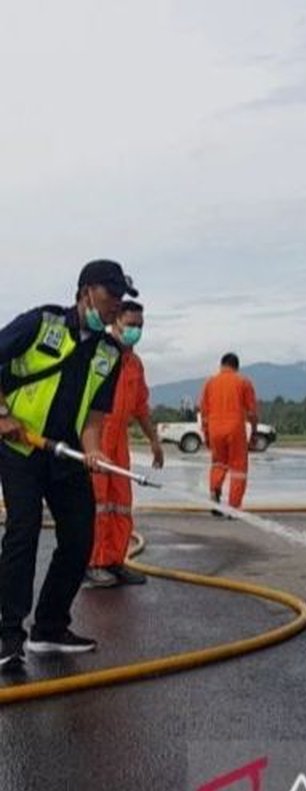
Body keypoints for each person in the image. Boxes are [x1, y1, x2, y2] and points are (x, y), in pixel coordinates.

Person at [0, 259, 138, 670]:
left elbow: (94, 419)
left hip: (65, 455)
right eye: (111, 295)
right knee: (23, 531)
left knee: (80, 537)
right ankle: (7, 636)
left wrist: (94, 450)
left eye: (120, 297)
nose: (117, 305)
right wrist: (2, 413)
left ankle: (49, 628)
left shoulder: (109, 354)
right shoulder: (42, 324)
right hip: (20, 448)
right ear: (86, 292)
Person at [84, 301, 164, 589]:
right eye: (131, 325)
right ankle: (93, 562)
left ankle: (115, 560)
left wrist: (154, 440)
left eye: (140, 326)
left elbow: (141, 406)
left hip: (119, 440)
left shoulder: (134, 363)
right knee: (97, 503)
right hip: (97, 435)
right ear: (115, 321)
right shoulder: (100, 353)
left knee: (120, 504)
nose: (135, 331)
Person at [199, 352, 258, 514]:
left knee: (218, 463)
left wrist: (206, 434)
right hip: (235, 429)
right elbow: (252, 412)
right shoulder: (243, 382)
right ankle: (233, 507)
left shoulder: (210, 383)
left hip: (214, 429)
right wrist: (254, 431)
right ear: (236, 367)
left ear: (221, 365)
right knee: (238, 469)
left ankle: (215, 492)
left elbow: (204, 412)